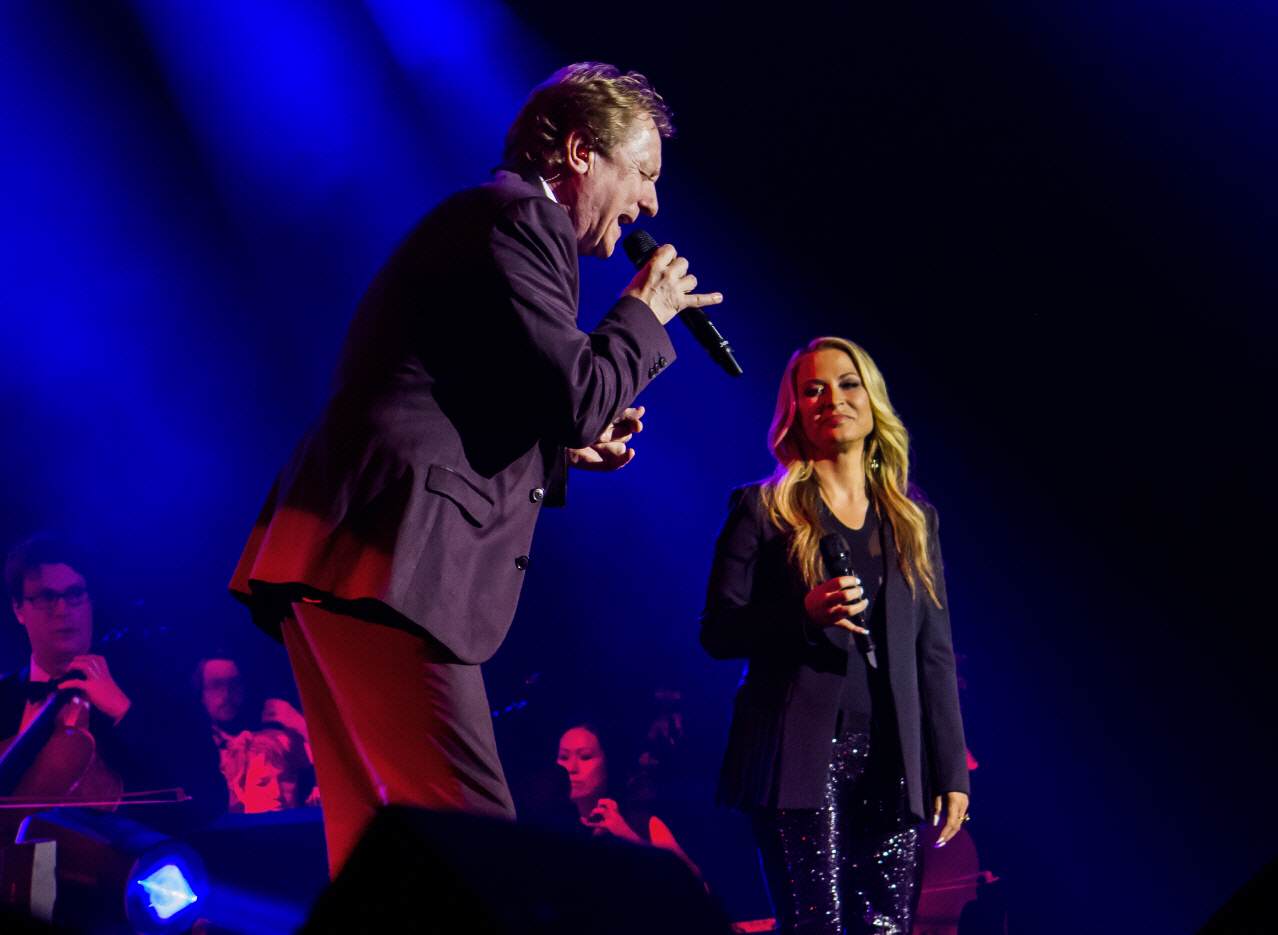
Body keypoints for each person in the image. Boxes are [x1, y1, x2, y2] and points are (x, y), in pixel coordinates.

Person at [229, 62, 722, 875]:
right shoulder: (521, 218)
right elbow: (578, 393)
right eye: (643, 173)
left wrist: (564, 450)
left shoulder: (493, 222)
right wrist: (646, 311)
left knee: (385, 853)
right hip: (382, 562)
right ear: (580, 153)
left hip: (337, 557)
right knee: (481, 850)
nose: (652, 203)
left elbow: (461, 394)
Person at [700, 337, 970, 934]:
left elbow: (934, 654)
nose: (833, 399)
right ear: (795, 409)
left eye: (848, 384)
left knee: (887, 926)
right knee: (815, 924)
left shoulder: (912, 520)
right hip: (797, 754)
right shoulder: (763, 508)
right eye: (814, 389)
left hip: (893, 759)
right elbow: (718, 631)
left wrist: (951, 771)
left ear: (872, 399)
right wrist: (803, 614)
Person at [0, 534, 225, 831]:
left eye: (75, 593)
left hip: (121, 859)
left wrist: (124, 712)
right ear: (18, 609)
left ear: (90, 601)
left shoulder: (157, 689)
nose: (62, 609)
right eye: (45, 597)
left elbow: (210, 798)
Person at [556, 723, 698, 875]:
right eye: (564, 757)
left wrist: (628, 837)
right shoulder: (550, 822)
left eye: (585, 757)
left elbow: (692, 879)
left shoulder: (640, 822)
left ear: (608, 762)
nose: (571, 768)